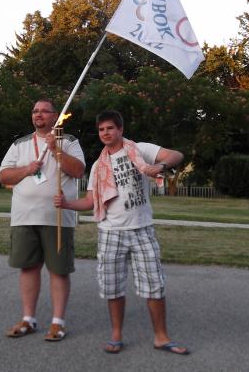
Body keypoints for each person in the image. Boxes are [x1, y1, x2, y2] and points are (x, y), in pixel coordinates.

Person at [54, 110, 189, 355]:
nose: (105, 133)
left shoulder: (140, 149)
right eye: (101, 129)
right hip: (110, 232)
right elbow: (90, 201)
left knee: (154, 286)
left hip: (142, 229)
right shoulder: (98, 166)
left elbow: (176, 155)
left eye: (110, 128)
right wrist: (66, 204)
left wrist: (158, 166)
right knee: (113, 287)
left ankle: (161, 337)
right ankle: (116, 334)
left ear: (120, 130)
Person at [0, 98, 85, 342]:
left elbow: (79, 171)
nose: (39, 114)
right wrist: (26, 170)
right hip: (24, 216)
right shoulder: (20, 144)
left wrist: (56, 150)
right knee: (28, 267)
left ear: (55, 116)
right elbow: (3, 176)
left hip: (57, 217)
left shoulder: (68, 141)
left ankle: (58, 322)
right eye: (35, 111)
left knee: (58, 270)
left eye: (45, 111)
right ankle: (28, 319)